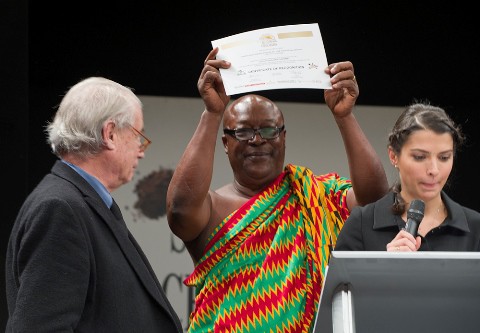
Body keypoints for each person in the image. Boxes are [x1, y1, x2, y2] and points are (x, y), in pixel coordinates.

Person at [166, 47, 389, 332]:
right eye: (243, 132)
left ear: (283, 138)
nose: (257, 140)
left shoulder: (315, 197)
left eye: (269, 130)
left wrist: (344, 117)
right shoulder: (212, 209)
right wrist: (212, 113)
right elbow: (179, 211)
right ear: (225, 142)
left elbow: (375, 203)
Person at [5, 77, 183, 332]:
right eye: (137, 135)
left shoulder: (78, 201)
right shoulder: (60, 209)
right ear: (109, 133)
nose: (141, 150)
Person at [335, 101, 480, 252]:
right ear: (393, 156)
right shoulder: (361, 224)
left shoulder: (475, 227)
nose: (434, 170)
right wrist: (385, 269)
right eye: (419, 157)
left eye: (444, 157)